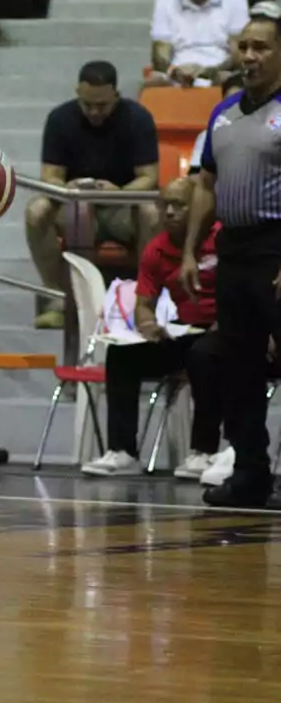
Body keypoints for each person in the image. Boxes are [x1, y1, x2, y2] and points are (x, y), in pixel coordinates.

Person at [183, 14, 281, 508]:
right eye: (243, 46)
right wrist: (190, 249)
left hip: (276, 246)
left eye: (261, 47)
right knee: (238, 366)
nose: (249, 56)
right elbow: (205, 185)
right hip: (234, 249)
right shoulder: (222, 113)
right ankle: (250, 473)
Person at [83, 177, 222, 478]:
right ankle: (123, 451)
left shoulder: (221, 239)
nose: (170, 212)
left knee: (203, 356)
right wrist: (147, 324)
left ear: (197, 207)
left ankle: (204, 452)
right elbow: (144, 303)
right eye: (166, 205)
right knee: (122, 354)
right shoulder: (156, 250)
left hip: (225, 330)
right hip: (184, 331)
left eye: (179, 205)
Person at [25, 61, 160, 328]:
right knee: (36, 211)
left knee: (152, 212)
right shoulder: (60, 119)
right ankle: (59, 298)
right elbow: (50, 176)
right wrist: (69, 189)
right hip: (75, 204)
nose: (94, 112)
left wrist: (119, 193)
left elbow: (149, 177)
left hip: (122, 207)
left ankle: (144, 300)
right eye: (87, 105)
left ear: (116, 96)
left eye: (102, 106)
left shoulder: (138, 118)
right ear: (78, 92)